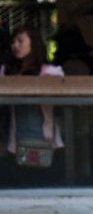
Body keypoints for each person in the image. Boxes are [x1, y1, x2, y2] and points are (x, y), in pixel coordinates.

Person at [0, 26, 64, 160]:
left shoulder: (50, 72)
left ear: (33, 43)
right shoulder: (5, 71)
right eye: (13, 42)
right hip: (16, 138)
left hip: (44, 137)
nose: (15, 45)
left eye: (20, 41)